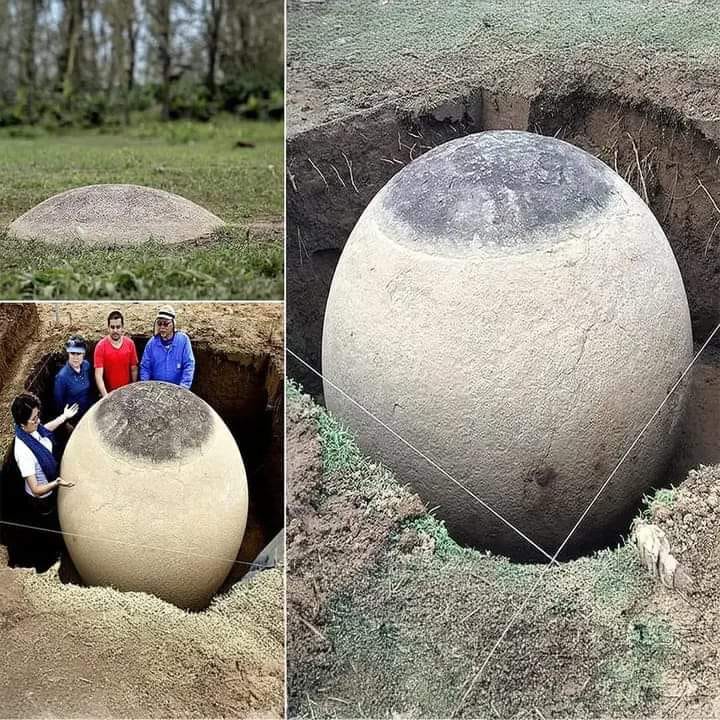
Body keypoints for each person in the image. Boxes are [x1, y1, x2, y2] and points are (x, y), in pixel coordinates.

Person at [12, 392, 77, 515]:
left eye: (38, 416)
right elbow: (36, 489)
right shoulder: (23, 452)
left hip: (51, 481)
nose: (38, 421)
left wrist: (64, 416)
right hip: (43, 497)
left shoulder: (29, 430)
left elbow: (44, 429)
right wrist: (56, 483)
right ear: (22, 424)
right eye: (34, 419)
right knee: (50, 512)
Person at [139, 305, 195, 388]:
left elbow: (189, 365)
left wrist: (183, 388)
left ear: (173, 324)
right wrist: (146, 386)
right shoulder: (152, 343)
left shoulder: (183, 341)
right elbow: (145, 367)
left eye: (165, 324)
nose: (162, 327)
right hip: (156, 388)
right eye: (159, 323)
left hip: (177, 389)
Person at [94, 310, 139, 397]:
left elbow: (134, 369)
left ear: (122, 327)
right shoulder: (100, 346)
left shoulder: (130, 344)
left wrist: (133, 389)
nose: (115, 330)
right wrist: (106, 397)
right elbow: (98, 375)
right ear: (108, 328)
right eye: (112, 327)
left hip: (126, 393)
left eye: (118, 327)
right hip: (109, 394)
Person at [53, 335, 93, 422]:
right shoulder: (61, 377)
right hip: (73, 418)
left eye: (78, 353)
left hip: (88, 412)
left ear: (84, 354)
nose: (75, 357)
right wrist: (65, 423)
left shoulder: (86, 365)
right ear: (68, 354)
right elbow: (58, 404)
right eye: (72, 353)